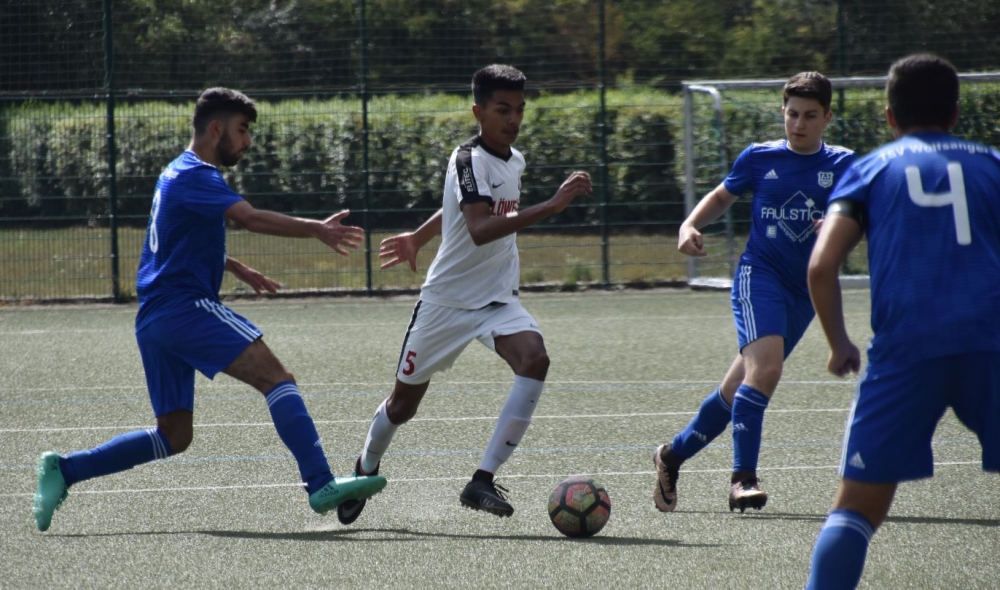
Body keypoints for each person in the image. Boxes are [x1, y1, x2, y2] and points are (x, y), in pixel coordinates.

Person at [32, 87, 387, 532]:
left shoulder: (174, 172)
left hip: (154, 318)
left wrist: (233, 265)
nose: (248, 141)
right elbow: (250, 218)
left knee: (173, 435)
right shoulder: (199, 175)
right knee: (277, 379)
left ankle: (65, 470)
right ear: (216, 129)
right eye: (243, 130)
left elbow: (174, 241)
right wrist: (317, 229)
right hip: (186, 309)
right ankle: (320, 483)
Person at [334, 64, 592, 525]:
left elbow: (460, 206)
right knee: (402, 407)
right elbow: (479, 227)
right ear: (478, 112)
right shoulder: (467, 159)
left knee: (535, 359)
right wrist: (551, 206)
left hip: (497, 299)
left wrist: (418, 236)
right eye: (502, 109)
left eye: (519, 109)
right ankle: (365, 468)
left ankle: (481, 480)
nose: (513, 119)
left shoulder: (514, 160)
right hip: (446, 303)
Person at [805, 54, 1000, 588]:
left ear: (889, 116)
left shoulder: (869, 170)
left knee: (855, 509)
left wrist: (839, 343)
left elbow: (821, 266)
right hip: (992, 343)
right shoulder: (992, 165)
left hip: (907, 350)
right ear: (956, 114)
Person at [654, 72, 856, 513]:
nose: (798, 124)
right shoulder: (760, 157)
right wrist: (690, 224)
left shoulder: (845, 165)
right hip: (759, 276)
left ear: (827, 118)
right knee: (766, 371)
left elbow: (869, 215)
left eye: (810, 116)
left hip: (807, 292)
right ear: (783, 112)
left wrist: (842, 225)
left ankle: (671, 456)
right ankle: (743, 480)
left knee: (736, 391)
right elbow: (722, 196)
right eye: (792, 114)